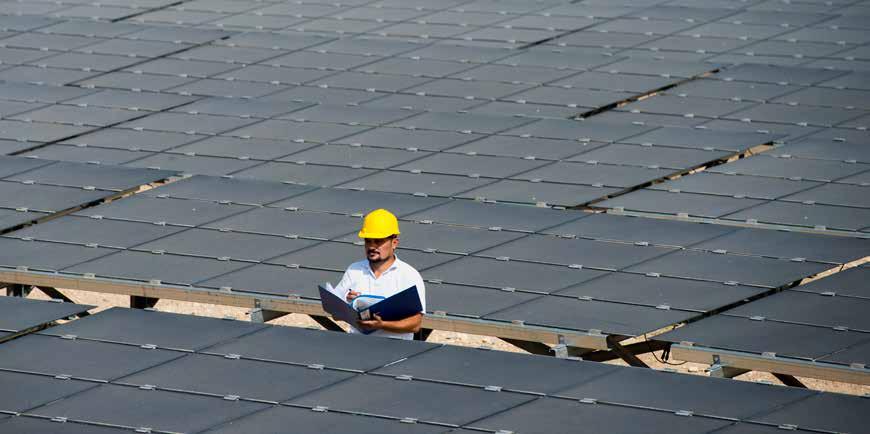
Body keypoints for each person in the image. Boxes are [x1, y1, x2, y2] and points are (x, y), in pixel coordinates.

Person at [332, 208, 426, 340]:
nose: (372, 246)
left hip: (395, 350)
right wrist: (347, 304)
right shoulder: (354, 270)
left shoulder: (409, 276)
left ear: (394, 243)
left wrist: (382, 325)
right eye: (368, 241)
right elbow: (334, 313)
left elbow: (415, 324)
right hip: (357, 347)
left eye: (378, 241)